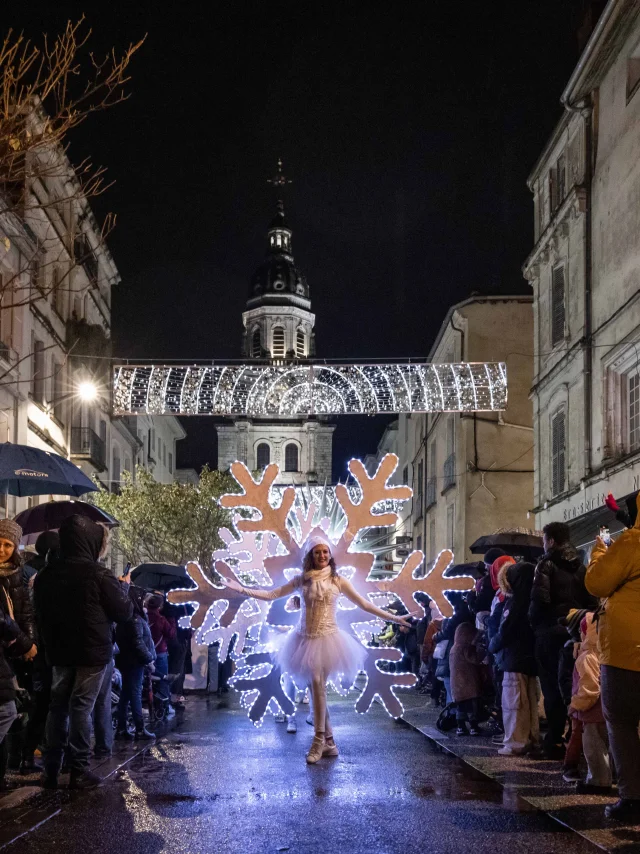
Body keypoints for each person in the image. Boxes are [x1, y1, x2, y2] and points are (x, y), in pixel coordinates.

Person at [221, 535, 412, 764]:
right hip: (303, 639)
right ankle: (329, 742)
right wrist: (242, 589)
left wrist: (395, 618)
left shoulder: (338, 580)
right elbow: (272, 595)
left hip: (328, 640)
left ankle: (318, 740)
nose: (322, 555)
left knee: (317, 684)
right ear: (311, 556)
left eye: (325, 551)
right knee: (316, 689)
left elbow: (365, 604)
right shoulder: (302, 580)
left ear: (330, 555)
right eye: (317, 552)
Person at [34, 515, 133, 790]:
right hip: (92, 653)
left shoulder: (46, 575)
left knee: (57, 707)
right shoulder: (98, 575)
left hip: (59, 651)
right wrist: (124, 588)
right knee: (81, 707)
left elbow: (39, 613)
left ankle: (51, 770)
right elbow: (124, 612)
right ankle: (79, 770)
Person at [586, 501, 640, 822]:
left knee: (621, 721)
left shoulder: (632, 542)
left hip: (626, 650)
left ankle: (633, 798)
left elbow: (597, 582)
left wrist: (599, 551)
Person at [529, 521, 598, 759]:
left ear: (550, 541)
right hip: (574, 633)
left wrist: (537, 626)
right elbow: (591, 601)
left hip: (550, 633)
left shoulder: (546, 565)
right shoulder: (581, 566)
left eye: (544, 540)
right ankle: (574, 738)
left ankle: (554, 740)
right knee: (572, 686)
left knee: (551, 688)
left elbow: (539, 601)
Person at [489, 560, 539, 755]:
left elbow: (506, 631)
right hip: (530, 659)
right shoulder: (534, 599)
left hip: (514, 658)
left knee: (514, 704)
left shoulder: (516, 601)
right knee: (530, 702)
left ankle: (515, 742)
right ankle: (531, 738)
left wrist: (493, 645)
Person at [568, 612, 612, 795]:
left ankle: (598, 781)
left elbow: (589, 689)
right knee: (607, 746)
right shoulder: (605, 653)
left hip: (592, 712)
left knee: (594, 748)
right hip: (606, 710)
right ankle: (610, 776)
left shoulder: (587, 657)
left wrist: (575, 705)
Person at [115, 585, 156, 740]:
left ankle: (121, 728)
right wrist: (149, 659)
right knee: (135, 694)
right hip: (134, 662)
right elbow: (138, 642)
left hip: (127, 661)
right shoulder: (135, 619)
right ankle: (140, 728)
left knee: (126, 695)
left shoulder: (128, 616)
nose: (145, 603)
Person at [449, 622, 484, 736]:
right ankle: (473, 727)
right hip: (468, 682)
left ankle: (461, 727)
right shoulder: (466, 647)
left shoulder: (454, 648)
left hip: (457, 684)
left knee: (460, 707)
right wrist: (481, 650)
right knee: (471, 708)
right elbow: (475, 659)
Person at [146, 595, 176, 710]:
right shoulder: (161, 619)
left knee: (147, 680)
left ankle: (149, 705)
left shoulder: (143, 617)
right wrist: (172, 620)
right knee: (163, 679)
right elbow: (171, 634)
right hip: (160, 652)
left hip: (145, 653)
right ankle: (164, 706)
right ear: (160, 606)